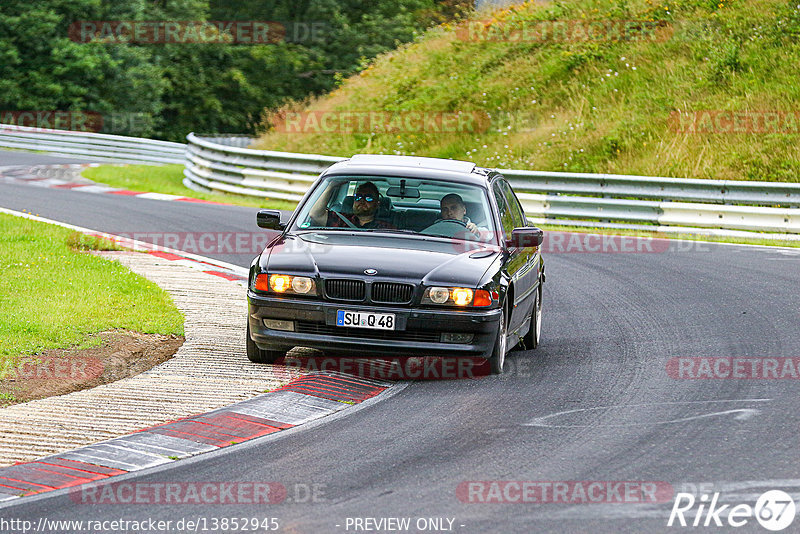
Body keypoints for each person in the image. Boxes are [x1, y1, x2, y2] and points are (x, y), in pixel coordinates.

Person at [310, 181, 393, 229]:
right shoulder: (341, 220)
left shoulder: (385, 227)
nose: (362, 201)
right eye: (358, 197)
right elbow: (315, 215)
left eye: (368, 198)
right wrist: (331, 186)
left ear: (377, 204)